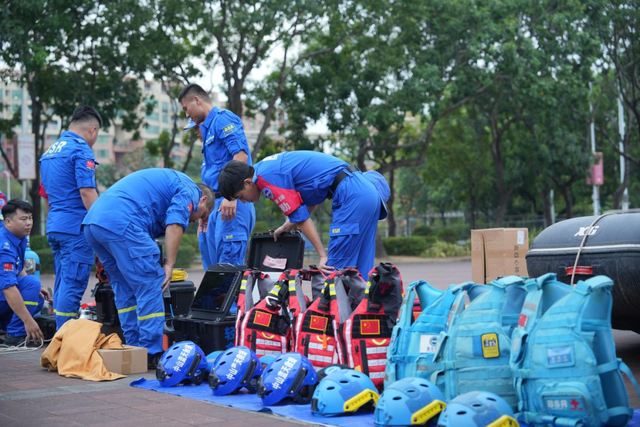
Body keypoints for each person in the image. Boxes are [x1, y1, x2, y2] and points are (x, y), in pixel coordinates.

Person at [82, 168, 214, 366]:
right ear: (202, 200)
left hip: (93, 224)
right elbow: (175, 223)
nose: (197, 221)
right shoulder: (189, 189)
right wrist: (169, 264)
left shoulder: (168, 184)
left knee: (124, 289)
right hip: (121, 222)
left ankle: (134, 350)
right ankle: (150, 353)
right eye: (203, 215)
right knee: (151, 283)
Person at [218, 151, 390, 279]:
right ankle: (361, 322)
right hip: (366, 191)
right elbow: (310, 200)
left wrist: (323, 255)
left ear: (248, 182)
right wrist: (287, 226)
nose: (244, 202)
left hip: (351, 196)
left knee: (335, 273)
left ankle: (334, 325)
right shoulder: (266, 167)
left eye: (241, 197)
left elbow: (302, 218)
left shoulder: (265, 179)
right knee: (360, 271)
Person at [178, 84, 255, 269]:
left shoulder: (223, 119)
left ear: (197, 100)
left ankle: (233, 300)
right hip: (216, 206)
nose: (187, 115)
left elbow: (241, 156)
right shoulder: (210, 130)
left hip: (230, 204)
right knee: (213, 271)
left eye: (186, 109)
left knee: (228, 269)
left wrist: (231, 196)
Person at [39, 105, 101, 330]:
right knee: (73, 285)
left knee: (63, 282)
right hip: (75, 228)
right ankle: (65, 341)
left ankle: (60, 339)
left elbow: (46, 194)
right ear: (92, 129)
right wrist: (103, 224)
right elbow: (87, 192)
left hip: (55, 225)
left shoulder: (50, 152)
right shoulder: (81, 149)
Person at [0, 199, 48, 346]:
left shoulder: (17, 238)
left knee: (37, 297)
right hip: (3, 291)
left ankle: (11, 329)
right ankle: (15, 336)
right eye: (23, 219)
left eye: (30, 218)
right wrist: (28, 321)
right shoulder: (4, 246)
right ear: (8, 221)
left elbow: (18, 267)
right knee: (31, 284)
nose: (29, 223)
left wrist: (33, 289)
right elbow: (8, 287)